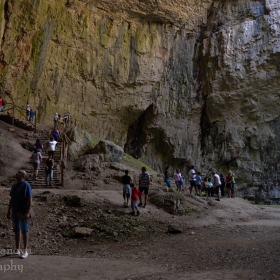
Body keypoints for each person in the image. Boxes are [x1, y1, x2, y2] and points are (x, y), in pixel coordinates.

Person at [6, 170, 32, 259]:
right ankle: (17, 249)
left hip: (23, 211)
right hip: (15, 211)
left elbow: (30, 200)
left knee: (25, 230)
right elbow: (12, 199)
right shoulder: (14, 185)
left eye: (19, 172)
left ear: (22, 176)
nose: (16, 173)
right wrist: (9, 210)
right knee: (16, 230)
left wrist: (28, 212)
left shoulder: (26, 185)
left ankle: (25, 251)